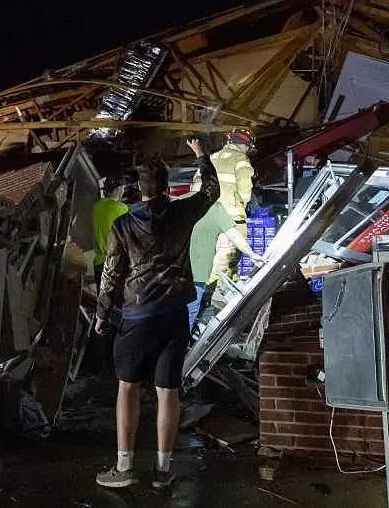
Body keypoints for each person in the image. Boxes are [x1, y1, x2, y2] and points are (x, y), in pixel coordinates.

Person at [93, 138, 219, 489]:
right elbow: (212, 189)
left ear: (140, 189)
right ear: (166, 187)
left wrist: (102, 313)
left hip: (137, 317)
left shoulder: (122, 226)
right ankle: (163, 471)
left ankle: (124, 467)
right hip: (174, 314)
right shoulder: (183, 213)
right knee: (168, 391)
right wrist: (200, 155)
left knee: (128, 388)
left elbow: (112, 275)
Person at [187, 202, 263, 332]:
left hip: (173, 271)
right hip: (197, 273)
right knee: (188, 315)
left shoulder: (177, 203)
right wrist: (251, 254)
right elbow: (233, 235)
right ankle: (181, 349)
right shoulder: (214, 207)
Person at [193, 129, 256, 284]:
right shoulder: (241, 159)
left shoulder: (212, 158)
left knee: (211, 257)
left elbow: (195, 186)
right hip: (231, 218)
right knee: (226, 258)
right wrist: (242, 205)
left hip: (206, 217)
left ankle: (229, 284)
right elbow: (245, 192)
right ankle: (210, 291)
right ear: (246, 145)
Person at [91, 175, 128, 277]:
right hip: (115, 262)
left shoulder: (95, 206)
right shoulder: (122, 209)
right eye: (123, 188)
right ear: (119, 188)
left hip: (98, 262)